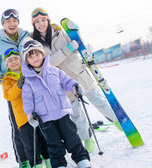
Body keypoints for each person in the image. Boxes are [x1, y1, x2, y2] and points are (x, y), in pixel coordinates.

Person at [30, 7, 122, 153]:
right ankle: (87, 138)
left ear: (48, 20)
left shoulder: (60, 33)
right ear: (33, 24)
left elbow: (77, 44)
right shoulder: (35, 44)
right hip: (63, 83)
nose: (41, 24)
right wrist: (67, 50)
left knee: (99, 101)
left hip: (79, 74)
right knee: (77, 114)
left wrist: (76, 31)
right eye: (37, 22)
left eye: (43, 20)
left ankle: (119, 121)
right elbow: (48, 63)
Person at [21, 38, 95, 168]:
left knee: (72, 138)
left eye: (37, 54)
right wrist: (30, 115)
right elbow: (27, 100)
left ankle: (81, 159)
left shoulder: (54, 70)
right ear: (27, 60)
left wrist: (75, 86)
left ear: (42, 54)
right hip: (45, 119)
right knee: (53, 144)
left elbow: (66, 81)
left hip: (63, 112)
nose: (35, 58)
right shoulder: (27, 81)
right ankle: (60, 166)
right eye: (30, 56)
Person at [0, 9, 31, 168]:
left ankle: (43, 154)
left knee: (40, 118)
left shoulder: (27, 36)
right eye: (8, 22)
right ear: (3, 24)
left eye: (14, 20)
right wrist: (3, 80)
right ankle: (24, 160)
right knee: (18, 123)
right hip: (13, 87)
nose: (11, 24)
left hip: (32, 83)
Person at [2, 48, 52, 168]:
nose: (13, 63)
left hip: (37, 112)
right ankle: (37, 167)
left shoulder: (29, 72)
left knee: (44, 138)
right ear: (6, 64)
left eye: (16, 59)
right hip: (23, 117)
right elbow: (9, 95)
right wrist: (18, 86)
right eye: (10, 61)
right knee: (30, 143)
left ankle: (50, 161)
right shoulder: (7, 80)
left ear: (21, 60)